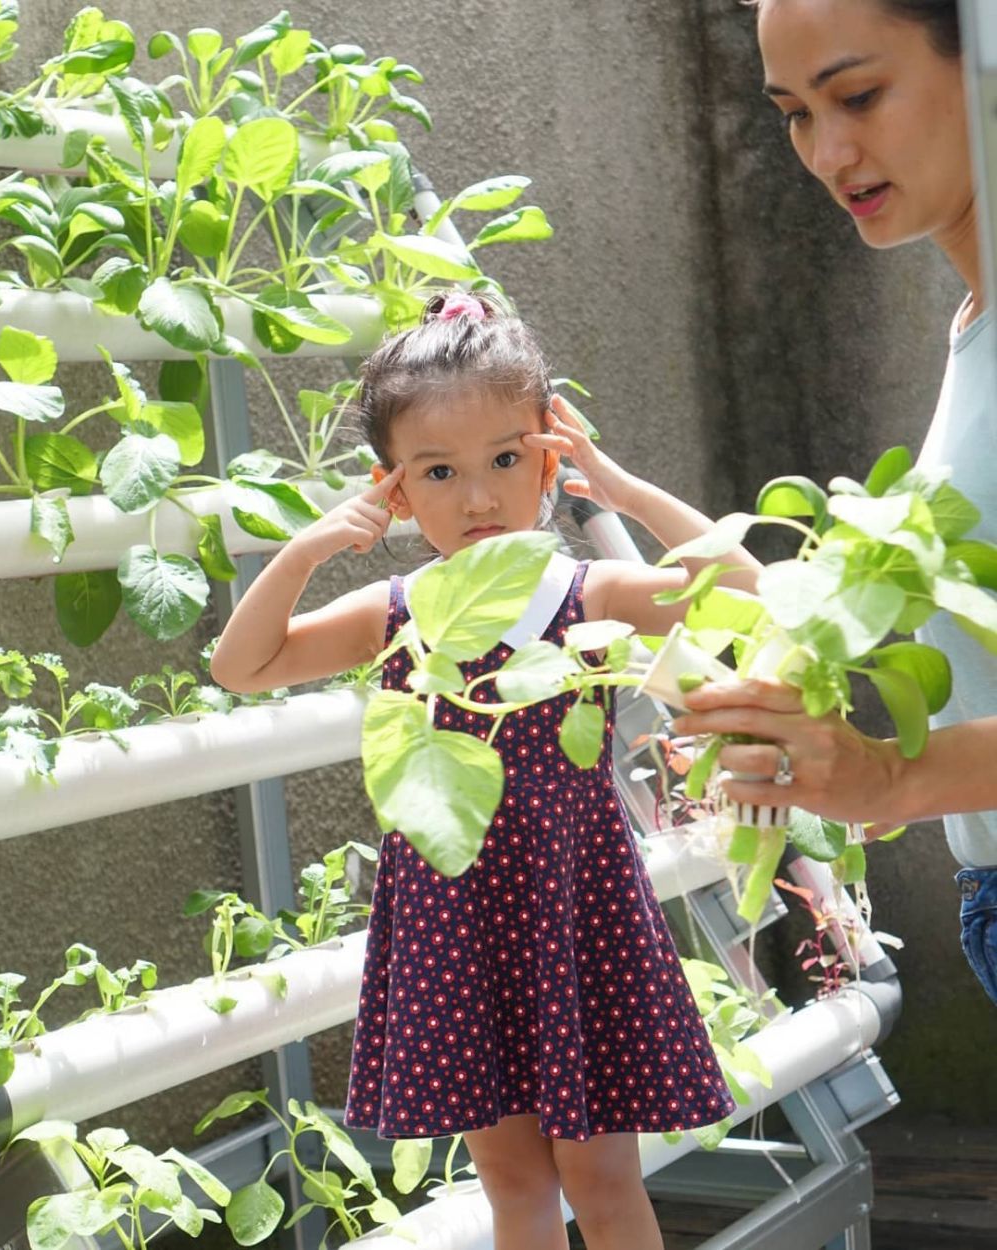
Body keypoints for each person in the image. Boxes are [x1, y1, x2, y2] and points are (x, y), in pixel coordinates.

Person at [210, 291, 760, 1250]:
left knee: (603, 1176)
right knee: (512, 1181)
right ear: (394, 490)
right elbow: (240, 665)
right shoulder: (395, 611)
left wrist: (621, 491)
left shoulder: (588, 593)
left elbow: (744, 588)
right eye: (439, 471)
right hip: (455, 922)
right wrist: (311, 544)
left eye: (506, 460)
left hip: (574, 908)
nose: (477, 498)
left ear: (549, 456)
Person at [673, 0, 997, 1004]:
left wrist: (892, 776)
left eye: (857, 95)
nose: (828, 153)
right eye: (796, 114)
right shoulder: (973, 323)